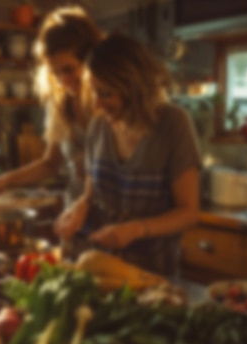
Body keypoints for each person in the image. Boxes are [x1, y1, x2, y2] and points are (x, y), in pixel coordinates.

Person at [54, 33, 202, 276]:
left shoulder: (173, 124)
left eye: (106, 94)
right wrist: (78, 208)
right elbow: (91, 194)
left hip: (152, 277)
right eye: (94, 93)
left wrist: (134, 229)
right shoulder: (99, 126)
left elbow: (189, 213)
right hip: (102, 271)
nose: (97, 106)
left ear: (134, 88)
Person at [0, 6, 102, 206]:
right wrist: (6, 180)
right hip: (76, 213)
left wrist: (93, 162)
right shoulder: (61, 103)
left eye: (68, 69)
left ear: (90, 60)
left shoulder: (110, 102)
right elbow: (51, 164)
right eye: (55, 73)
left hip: (116, 219)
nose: (62, 81)